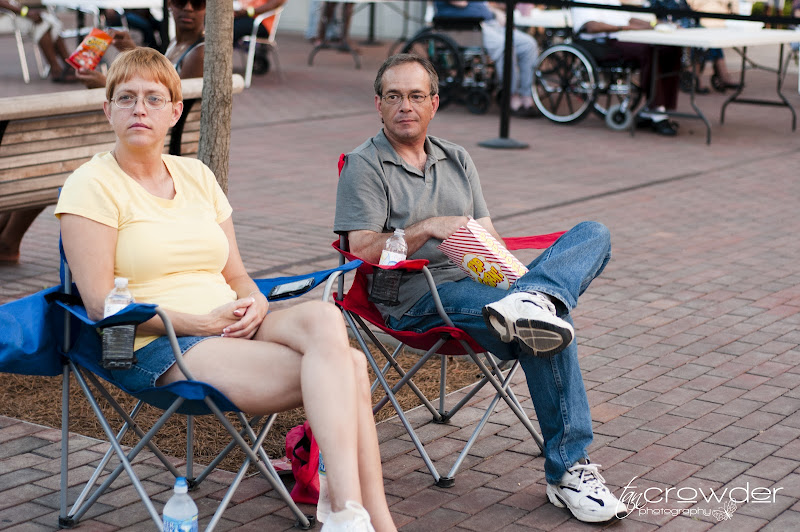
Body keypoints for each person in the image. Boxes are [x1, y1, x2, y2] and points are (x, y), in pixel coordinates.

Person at [55, 48, 396, 532]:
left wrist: (254, 302)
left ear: (175, 112)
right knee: (351, 368)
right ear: (107, 109)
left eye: (153, 98)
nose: (139, 109)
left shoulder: (197, 176)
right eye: (126, 98)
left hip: (230, 324)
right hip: (159, 343)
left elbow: (236, 274)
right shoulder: (90, 185)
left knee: (325, 318)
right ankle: (361, 517)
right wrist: (201, 323)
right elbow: (100, 303)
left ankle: (349, 512)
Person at [334, 53, 626, 524]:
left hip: (482, 286)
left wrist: (510, 272)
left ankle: (533, 298)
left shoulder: (457, 158)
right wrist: (428, 227)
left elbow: (488, 237)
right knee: (543, 325)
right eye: (394, 96)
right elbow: (362, 248)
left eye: (415, 96)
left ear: (434, 103)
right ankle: (569, 470)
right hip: (416, 297)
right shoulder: (365, 165)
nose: (405, 106)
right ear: (378, 104)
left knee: (594, 233)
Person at [570, 0, 682, 136]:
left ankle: (656, 108)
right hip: (600, 44)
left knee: (670, 48)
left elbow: (627, 18)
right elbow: (592, 26)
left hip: (620, 38)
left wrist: (655, 25)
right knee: (651, 51)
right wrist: (628, 28)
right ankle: (656, 110)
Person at [434, 1, 539, 116]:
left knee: (528, 44)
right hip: (466, 27)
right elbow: (461, 3)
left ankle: (526, 95)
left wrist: (494, 12)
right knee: (505, 46)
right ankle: (510, 96)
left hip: (489, 23)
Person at [76, 0, 206, 88]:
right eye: (180, 1)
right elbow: (161, 79)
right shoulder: (177, 41)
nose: (188, 8)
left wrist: (107, 85)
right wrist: (132, 50)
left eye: (198, 3)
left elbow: (173, 101)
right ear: (169, 4)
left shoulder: (199, 53)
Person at [0, 0, 77, 82]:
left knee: (50, 21)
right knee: (42, 24)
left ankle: (69, 65)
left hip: (12, 13)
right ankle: (58, 68)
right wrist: (25, 12)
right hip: (5, 16)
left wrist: (26, 11)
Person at [233, 0, 287, 75]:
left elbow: (276, 3)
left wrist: (249, 11)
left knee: (231, 30)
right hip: (244, 16)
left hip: (261, 23)